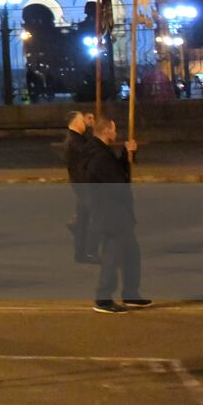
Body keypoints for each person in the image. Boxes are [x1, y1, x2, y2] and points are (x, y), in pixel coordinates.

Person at [86, 118, 150, 313]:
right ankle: (103, 299)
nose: (116, 133)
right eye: (114, 130)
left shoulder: (104, 152)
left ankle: (131, 293)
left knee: (132, 254)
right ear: (106, 131)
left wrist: (126, 153)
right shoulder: (99, 156)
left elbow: (120, 174)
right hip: (110, 215)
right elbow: (119, 182)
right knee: (112, 257)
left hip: (117, 214)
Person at [64, 110, 101, 264]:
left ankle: (80, 253)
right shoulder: (74, 140)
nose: (84, 122)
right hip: (83, 183)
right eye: (81, 120)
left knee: (85, 217)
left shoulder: (78, 138)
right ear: (73, 123)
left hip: (83, 182)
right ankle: (90, 252)